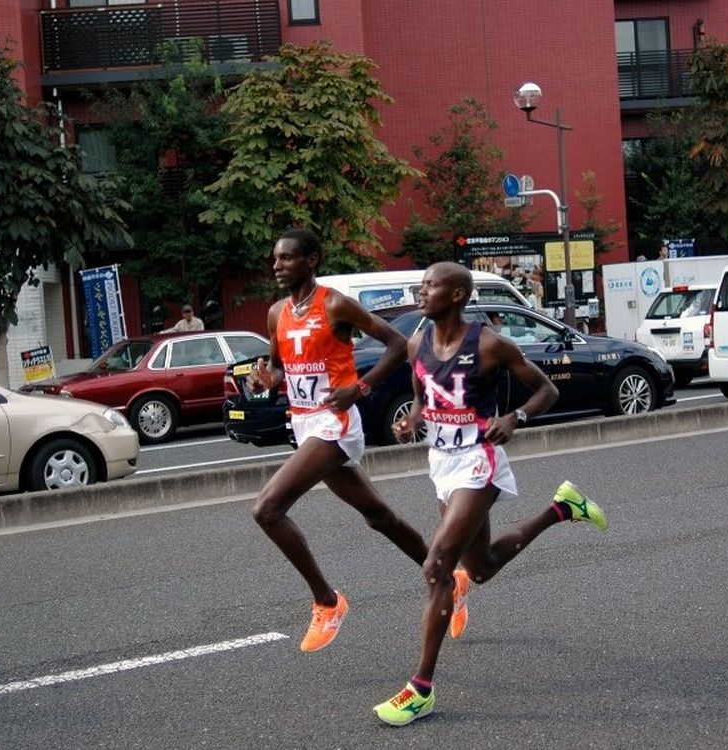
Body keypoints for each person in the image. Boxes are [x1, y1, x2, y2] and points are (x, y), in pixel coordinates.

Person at [372, 262, 608, 726]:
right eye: (421, 286)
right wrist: (413, 419)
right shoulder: (418, 344)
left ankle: (420, 689)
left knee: (437, 565)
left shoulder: (490, 344)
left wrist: (515, 417)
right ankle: (562, 509)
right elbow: (423, 397)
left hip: (480, 461)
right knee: (478, 570)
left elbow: (545, 391)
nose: (421, 292)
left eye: (431, 286)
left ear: (458, 294)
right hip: (442, 463)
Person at [247, 229, 467, 653]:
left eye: (288, 258)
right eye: (275, 258)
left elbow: (398, 344)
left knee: (267, 509)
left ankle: (328, 602)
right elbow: (277, 369)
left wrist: (360, 389)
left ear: (312, 260)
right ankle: (448, 578)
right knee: (379, 516)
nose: (277, 265)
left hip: (336, 423)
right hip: (304, 424)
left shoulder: (334, 304)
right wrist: (264, 379)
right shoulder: (277, 313)